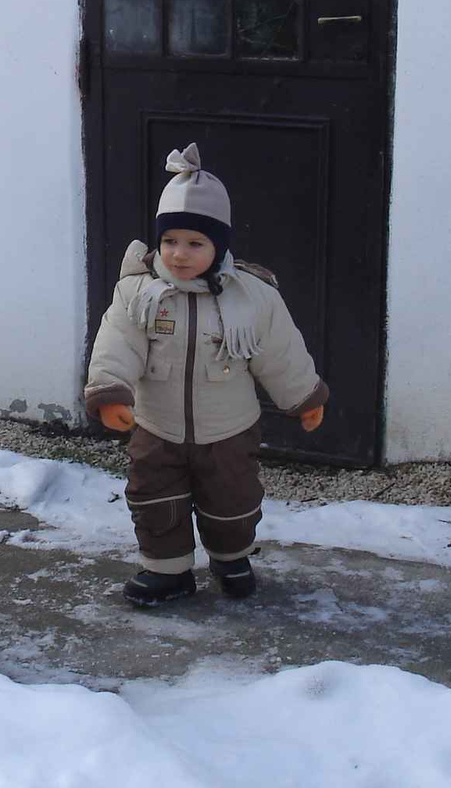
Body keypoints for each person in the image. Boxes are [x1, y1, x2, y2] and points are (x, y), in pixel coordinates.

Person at [84, 144, 329, 606]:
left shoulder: (252, 297)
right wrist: (111, 392)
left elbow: (280, 351)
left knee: (232, 501)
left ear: (219, 245)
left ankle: (232, 557)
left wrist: (305, 397)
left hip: (228, 429)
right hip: (158, 428)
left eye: (195, 243)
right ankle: (167, 571)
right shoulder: (140, 294)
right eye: (170, 241)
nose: (179, 254)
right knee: (155, 499)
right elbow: (117, 343)